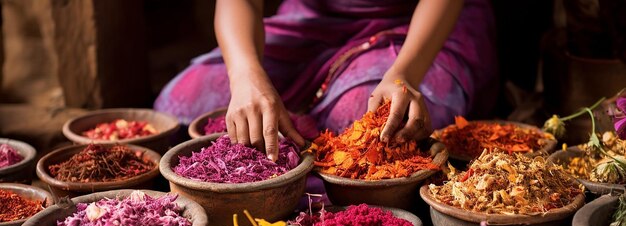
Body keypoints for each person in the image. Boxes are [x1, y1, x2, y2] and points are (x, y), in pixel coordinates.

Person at [155, 0, 498, 161]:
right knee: (181, 103)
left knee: (364, 123)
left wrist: (405, 74)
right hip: (313, 21)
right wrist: (245, 75)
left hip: (417, 25)